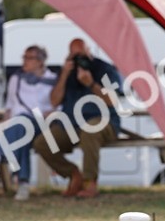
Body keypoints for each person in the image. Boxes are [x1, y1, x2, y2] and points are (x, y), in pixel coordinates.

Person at [34, 38, 121, 199]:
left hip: (102, 120)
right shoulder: (68, 72)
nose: (79, 60)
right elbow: (54, 101)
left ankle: (89, 183)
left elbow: (112, 101)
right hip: (72, 124)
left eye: (81, 55)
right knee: (43, 143)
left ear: (89, 52)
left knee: (90, 130)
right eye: (74, 56)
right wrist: (65, 74)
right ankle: (74, 174)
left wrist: (91, 84)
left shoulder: (104, 69)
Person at [0, 44, 55, 201]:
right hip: (19, 125)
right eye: (24, 57)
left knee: (22, 124)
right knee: (21, 132)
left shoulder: (52, 80)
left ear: (40, 61)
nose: (24, 61)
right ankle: (23, 185)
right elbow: (10, 106)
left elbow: (56, 106)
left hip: (42, 124)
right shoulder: (16, 79)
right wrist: (5, 125)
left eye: (29, 58)